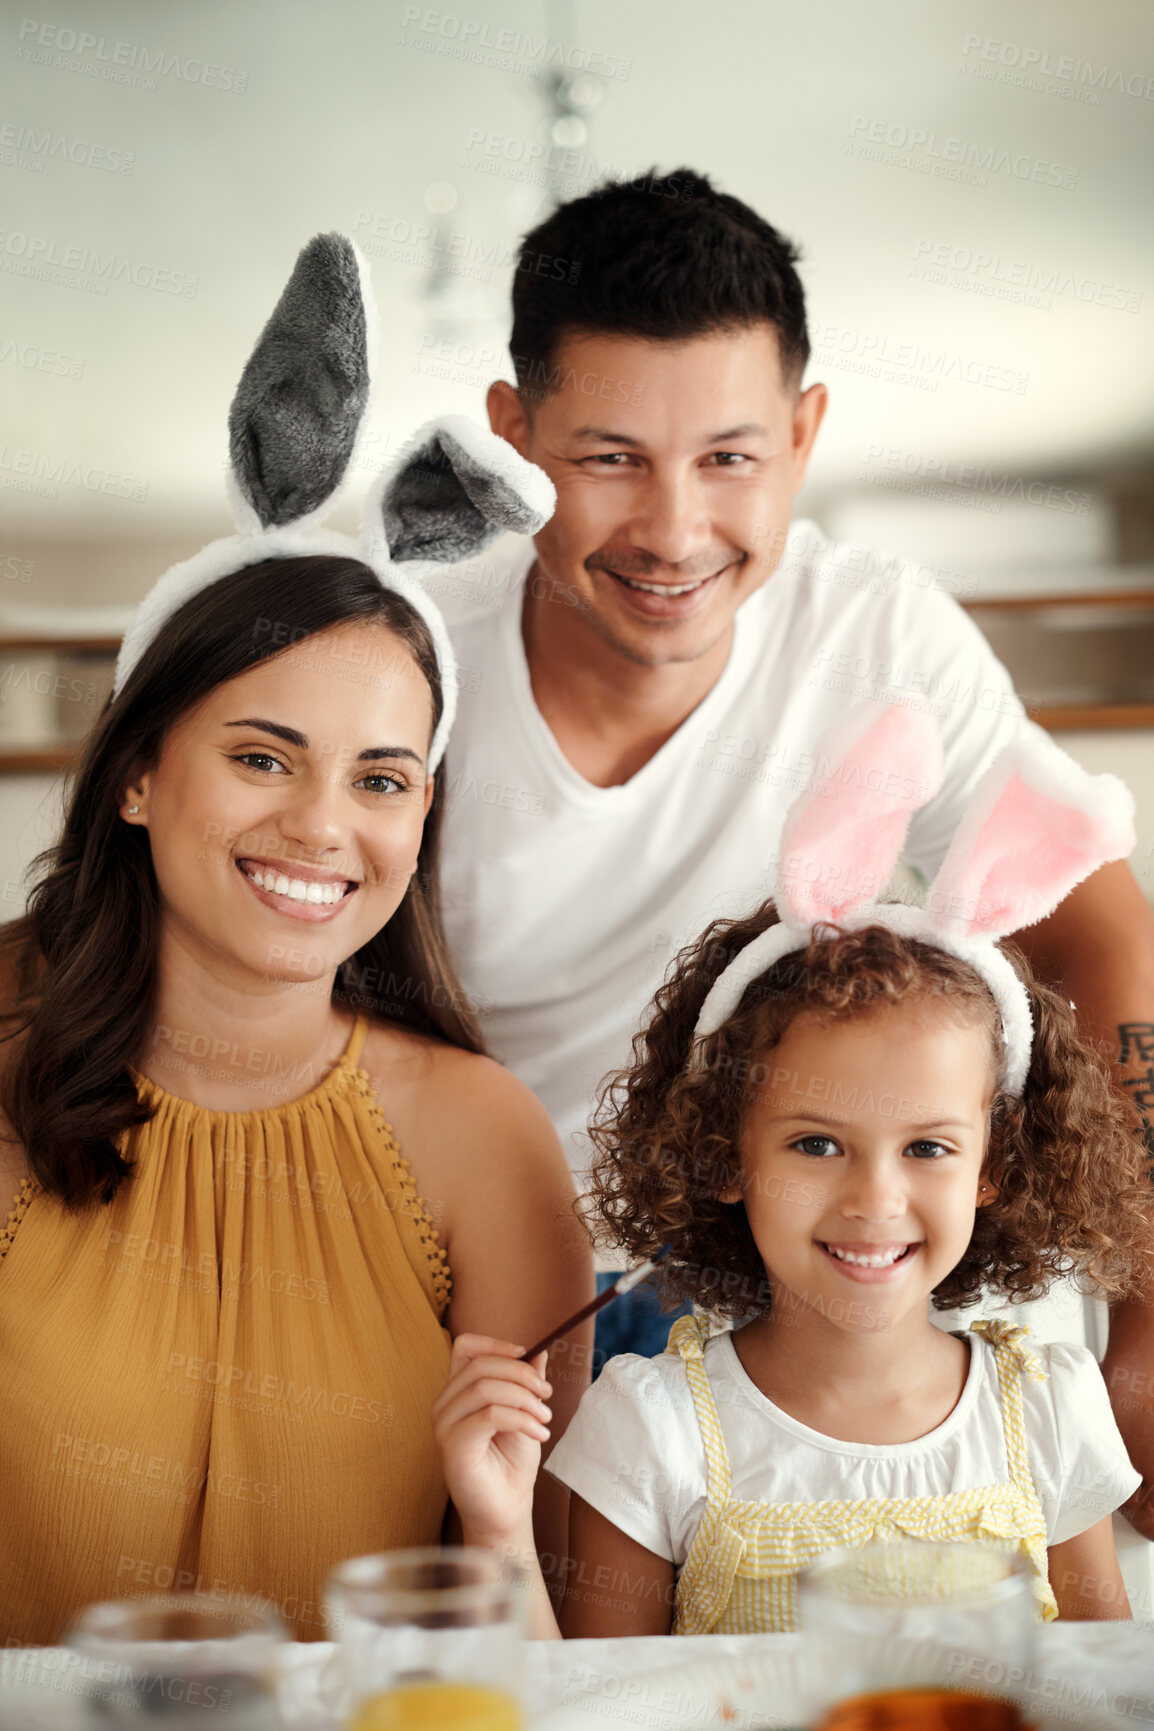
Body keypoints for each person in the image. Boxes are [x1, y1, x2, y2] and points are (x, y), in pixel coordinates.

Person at [429, 169, 1154, 1412]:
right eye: (609, 457)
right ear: (511, 432)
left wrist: (1143, 1322)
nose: (672, 530)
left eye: (728, 458)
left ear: (804, 434)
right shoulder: (414, 649)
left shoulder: (876, 633)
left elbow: (1098, 934)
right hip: (457, 1280)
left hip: (771, 1283)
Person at [0, 235, 592, 1646]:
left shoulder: (480, 1137)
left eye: (381, 777)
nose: (325, 825)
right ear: (138, 775)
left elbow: (558, 1623)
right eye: (264, 757)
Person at [433, 711, 1152, 1635]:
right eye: (816, 1143)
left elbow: (1106, 1691)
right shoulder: (652, 1431)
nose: (873, 1199)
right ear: (724, 1151)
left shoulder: (1054, 1411)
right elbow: (596, 1701)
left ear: (995, 1167)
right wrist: (499, 1525)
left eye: (928, 1147)